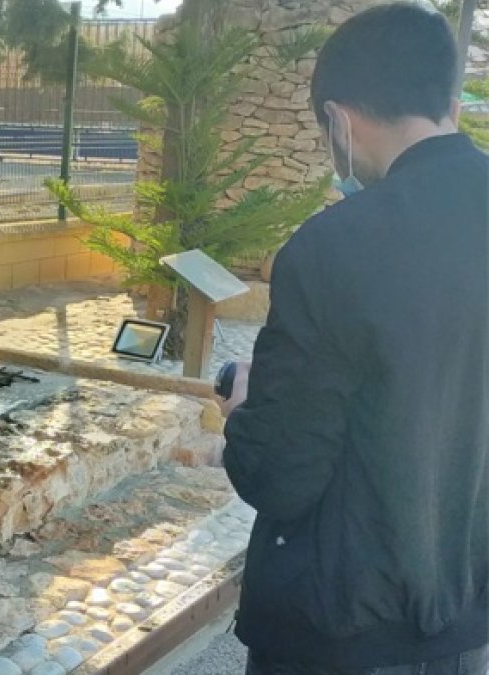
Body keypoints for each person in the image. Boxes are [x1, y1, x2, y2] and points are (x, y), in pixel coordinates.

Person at [218, 4, 488, 674]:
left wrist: (246, 409)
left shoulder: (333, 247)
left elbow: (282, 473)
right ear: (448, 101)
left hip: (341, 629)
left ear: (338, 120)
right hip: (463, 615)